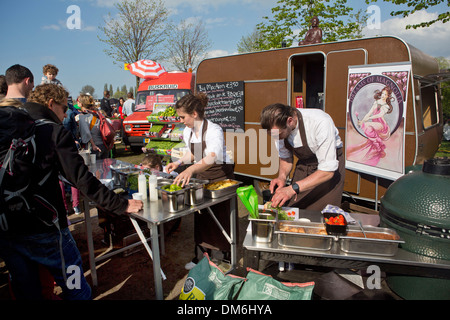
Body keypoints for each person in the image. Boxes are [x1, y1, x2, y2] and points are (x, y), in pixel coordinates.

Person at [0, 83, 143, 300]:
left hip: (8, 227)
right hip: (48, 228)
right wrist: (121, 204)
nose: (66, 114)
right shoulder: (52, 131)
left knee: (27, 291)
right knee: (75, 286)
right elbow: (83, 180)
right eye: (63, 108)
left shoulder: (11, 126)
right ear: (50, 104)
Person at [166, 93, 236, 270]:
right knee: (201, 215)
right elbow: (193, 152)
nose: (180, 120)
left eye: (183, 117)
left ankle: (223, 259)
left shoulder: (214, 130)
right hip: (202, 175)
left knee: (220, 217)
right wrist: (179, 163)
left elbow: (211, 157)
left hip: (220, 175)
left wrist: (190, 169)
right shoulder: (188, 131)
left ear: (194, 114)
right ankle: (201, 257)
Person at [260, 103, 345, 211]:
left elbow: (327, 171)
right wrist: (282, 177)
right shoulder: (278, 131)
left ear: (290, 121)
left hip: (327, 173)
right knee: (293, 208)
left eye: (279, 134)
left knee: (321, 214)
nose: (277, 138)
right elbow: (285, 157)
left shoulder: (320, 121)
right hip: (305, 166)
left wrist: (291, 189)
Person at [347, 86, 394, 166]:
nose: (383, 95)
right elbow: (369, 112)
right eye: (382, 93)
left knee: (367, 126)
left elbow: (379, 115)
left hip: (382, 125)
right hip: (375, 124)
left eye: (385, 94)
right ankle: (378, 146)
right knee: (367, 127)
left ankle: (378, 146)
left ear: (388, 96)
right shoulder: (377, 102)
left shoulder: (386, 106)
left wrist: (369, 118)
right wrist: (362, 121)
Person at [78, 94, 109, 159]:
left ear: (82, 104)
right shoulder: (97, 114)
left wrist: (93, 145)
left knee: (94, 168)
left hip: (93, 147)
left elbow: (87, 133)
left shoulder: (83, 116)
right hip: (103, 145)